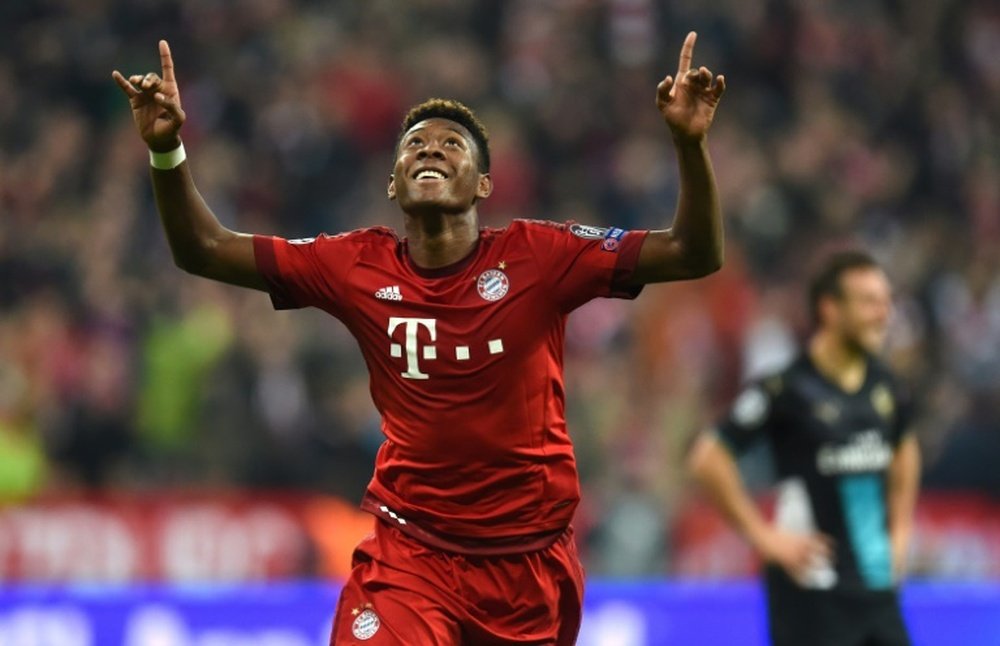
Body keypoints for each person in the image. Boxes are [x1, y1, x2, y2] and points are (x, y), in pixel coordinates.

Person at [113, 31, 725, 644]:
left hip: (527, 565)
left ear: (484, 185)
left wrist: (688, 145)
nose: (429, 150)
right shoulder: (354, 264)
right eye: (414, 144)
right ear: (393, 184)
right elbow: (206, 249)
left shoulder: (542, 256)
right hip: (410, 553)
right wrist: (167, 151)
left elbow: (693, 253)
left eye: (451, 144)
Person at [687, 251, 921, 646]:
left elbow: (905, 449)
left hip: (877, 589)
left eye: (885, 301)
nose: (884, 313)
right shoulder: (785, 388)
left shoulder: (888, 388)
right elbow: (708, 459)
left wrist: (899, 533)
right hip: (811, 592)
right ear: (830, 309)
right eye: (869, 302)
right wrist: (763, 537)